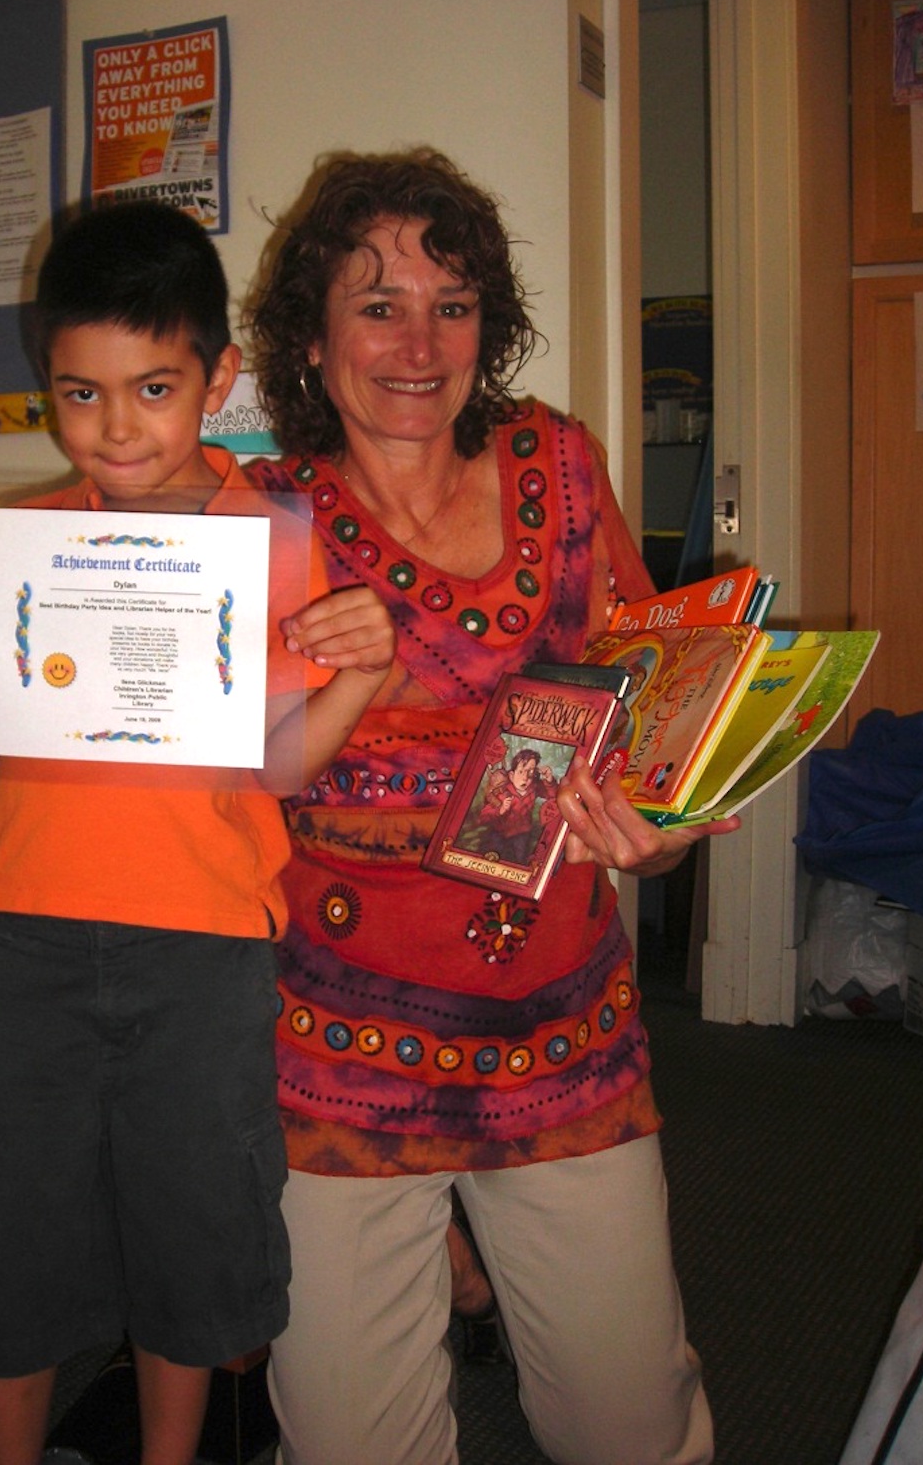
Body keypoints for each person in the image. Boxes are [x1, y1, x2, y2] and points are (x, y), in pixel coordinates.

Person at [0, 200, 395, 1465]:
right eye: (79, 393)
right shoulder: (32, 539)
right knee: (3, 1227)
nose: (116, 428)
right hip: (27, 937)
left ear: (215, 377)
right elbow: (5, 745)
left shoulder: (267, 543)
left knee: (193, 1235)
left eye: (152, 388)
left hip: (202, 947)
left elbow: (270, 762)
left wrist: (362, 676)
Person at [237, 148, 742, 1465]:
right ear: (311, 334)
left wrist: (667, 822)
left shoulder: (557, 468)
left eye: (452, 304)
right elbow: (229, 778)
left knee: (633, 1425)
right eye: (376, 302)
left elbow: (640, 703)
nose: (418, 342)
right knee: (352, 1448)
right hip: (337, 1050)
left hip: (557, 1028)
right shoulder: (260, 519)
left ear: (489, 326)